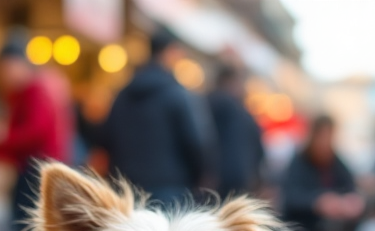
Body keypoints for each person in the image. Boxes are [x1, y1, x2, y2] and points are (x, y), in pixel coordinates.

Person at [101, 28, 210, 205]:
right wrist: (199, 179)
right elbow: (195, 142)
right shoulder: (176, 94)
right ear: (169, 51)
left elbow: (105, 138)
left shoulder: (123, 94)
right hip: (170, 189)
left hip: (126, 190)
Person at [0, 39, 71, 231]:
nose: (5, 75)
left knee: (28, 228)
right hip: (33, 168)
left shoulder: (35, 91)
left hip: (38, 170)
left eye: (7, 68)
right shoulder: (22, 92)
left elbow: (35, 132)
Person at [281, 115, 364, 231]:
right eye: (322, 136)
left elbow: (350, 187)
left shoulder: (335, 161)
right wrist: (317, 202)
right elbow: (290, 198)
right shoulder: (299, 162)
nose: (325, 142)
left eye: (329, 136)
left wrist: (350, 201)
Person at [207, 66, 265, 196]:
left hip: (214, 179)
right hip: (241, 179)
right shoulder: (245, 114)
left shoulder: (208, 104)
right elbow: (259, 151)